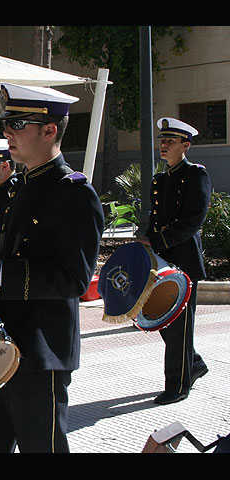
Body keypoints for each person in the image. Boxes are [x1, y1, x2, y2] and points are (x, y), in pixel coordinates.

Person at [0, 83, 104, 453]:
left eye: (17, 124)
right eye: (8, 124)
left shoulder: (74, 193)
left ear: (49, 130)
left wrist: (1, 272)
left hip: (39, 352)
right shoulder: (18, 187)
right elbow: (12, 250)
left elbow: (74, 278)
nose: (7, 132)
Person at [136, 117, 210, 405]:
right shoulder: (160, 180)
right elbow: (156, 220)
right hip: (162, 260)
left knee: (178, 326)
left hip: (184, 261)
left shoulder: (196, 175)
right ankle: (193, 364)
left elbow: (192, 222)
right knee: (164, 322)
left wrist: (155, 241)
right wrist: (146, 241)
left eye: (170, 142)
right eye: (162, 141)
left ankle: (178, 386)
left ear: (186, 146)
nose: (164, 145)